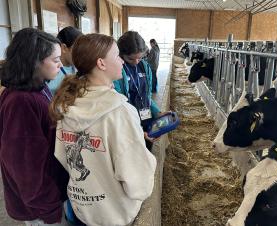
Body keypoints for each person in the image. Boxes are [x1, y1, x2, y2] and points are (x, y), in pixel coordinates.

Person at [50, 33, 157, 226]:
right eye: (117, 55)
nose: (122, 61)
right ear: (101, 63)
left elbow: (62, 155)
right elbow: (138, 181)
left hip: (81, 209)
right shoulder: (120, 111)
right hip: (113, 214)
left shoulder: (66, 103)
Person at [0, 28, 69, 226]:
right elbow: (24, 166)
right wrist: (49, 209)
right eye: (55, 60)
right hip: (41, 206)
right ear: (35, 61)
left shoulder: (38, 86)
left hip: (50, 193)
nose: (61, 64)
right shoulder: (21, 102)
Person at [114, 31, 163, 150]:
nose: (136, 62)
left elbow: (147, 95)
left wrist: (158, 112)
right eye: (131, 58)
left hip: (146, 119)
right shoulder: (117, 70)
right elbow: (119, 106)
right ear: (121, 54)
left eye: (140, 58)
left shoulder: (145, 67)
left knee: (147, 150)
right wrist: (137, 131)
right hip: (128, 124)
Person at [47, 26, 83, 95]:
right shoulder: (50, 70)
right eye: (77, 49)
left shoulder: (79, 67)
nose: (81, 54)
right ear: (64, 48)